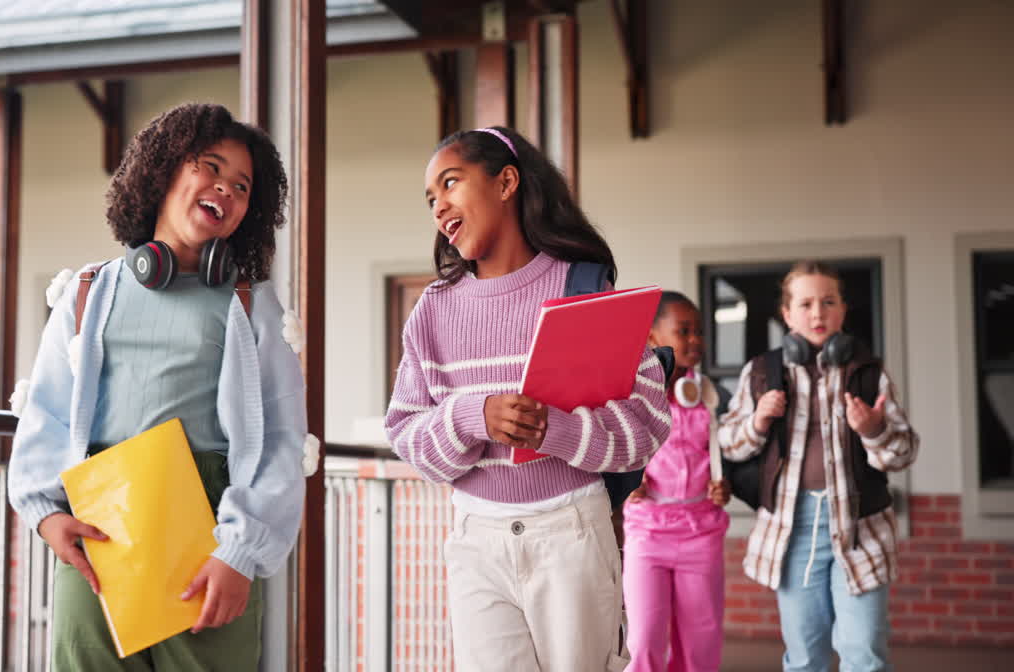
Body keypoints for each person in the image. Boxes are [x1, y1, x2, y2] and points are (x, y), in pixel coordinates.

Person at [7, 102, 306, 671]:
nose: (225, 188)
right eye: (210, 167)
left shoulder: (250, 304)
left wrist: (240, 553)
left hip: (211, 531)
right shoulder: (89, 292)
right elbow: (45, 412)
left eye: (242, 185)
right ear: (165, 169)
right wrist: (46, 514)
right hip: (98, 529)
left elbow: (280, 438)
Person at [385, 126, 672, 672]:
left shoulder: (582, 288)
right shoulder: (434, 310)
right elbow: (406, 434)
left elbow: (647, 424)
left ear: (506, 182)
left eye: (450, 182)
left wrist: (554, 431)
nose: (439, 205)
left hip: (571, 533)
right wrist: (472, 417)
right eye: (430, 198)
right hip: (476, 537)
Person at [720, 260, 918, 672]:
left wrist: (874, 429)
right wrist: (758, 420)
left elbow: (903, 454)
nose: (818, 312)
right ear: (787, 314)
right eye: (806, 303)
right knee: (805, 656)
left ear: (843, 311)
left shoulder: (868, 373)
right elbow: (728, 445)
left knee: (864, 653)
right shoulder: (760, 372)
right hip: (792, 530)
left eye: (828, 302)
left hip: (859, 528)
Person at [622, 292, 731, 672]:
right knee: (644, 639)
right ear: (652, 337)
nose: (695, 340)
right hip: (648, 534)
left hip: (702, 533)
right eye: (683, 331)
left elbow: (734, 453)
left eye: (699, 332)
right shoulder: (634, 396)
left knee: (701, 641)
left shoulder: (713, 398)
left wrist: (723, 482)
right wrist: (628, 479)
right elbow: (615, 449)